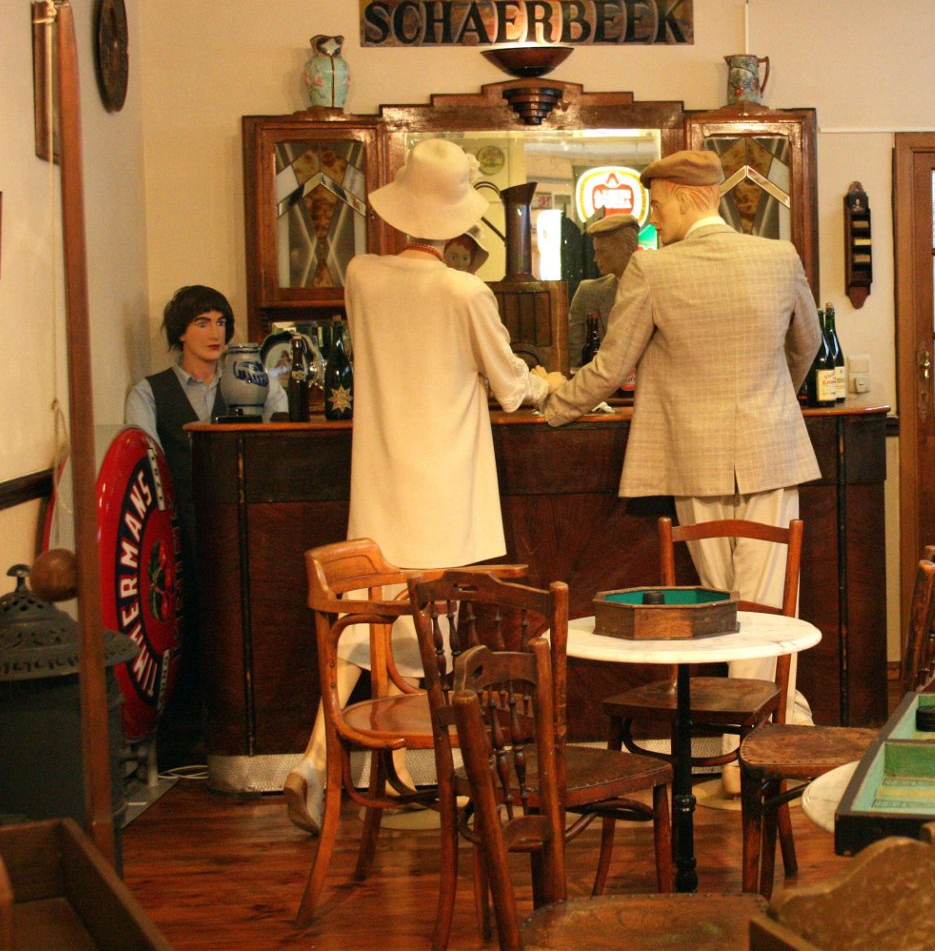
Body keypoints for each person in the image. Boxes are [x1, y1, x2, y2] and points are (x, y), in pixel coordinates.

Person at [283, 138, 558, 833]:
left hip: (379, 481)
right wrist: (546, 382)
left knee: (366, 625)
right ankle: (411, 769)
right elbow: (511, 385)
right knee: (433, 632)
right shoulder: (465, 290)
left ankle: (327, 762)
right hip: (447, 490)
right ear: (462, 222)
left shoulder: (359, 273)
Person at [542, 149, 821, 785]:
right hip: (771, 454)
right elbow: (804, 347)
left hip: (694, 460)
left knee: (720, 611)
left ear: (687, 196)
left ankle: (748, 753)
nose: (653, 219)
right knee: (769, 609)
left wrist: (551, 406)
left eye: (658, 205)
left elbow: (611, 369)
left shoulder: (653, 270)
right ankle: (763, 751)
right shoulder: (779, 258)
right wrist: (774, 401)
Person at [125, 285, 288, 765]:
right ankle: (186, 738)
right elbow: (143, 460)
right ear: (180, 331)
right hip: (179, 531)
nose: (214, 332)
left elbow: (278, 436)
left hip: (246, 527)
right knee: (184, 626)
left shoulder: (254, 379)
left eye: (220, 321)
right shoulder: (149, 392)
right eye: (202, 322)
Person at [567, 214, 641, 368]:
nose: (595, 259)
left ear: (627, 249)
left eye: (602, 251)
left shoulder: (655, 289)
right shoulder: (588, 293)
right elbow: (575, 356)